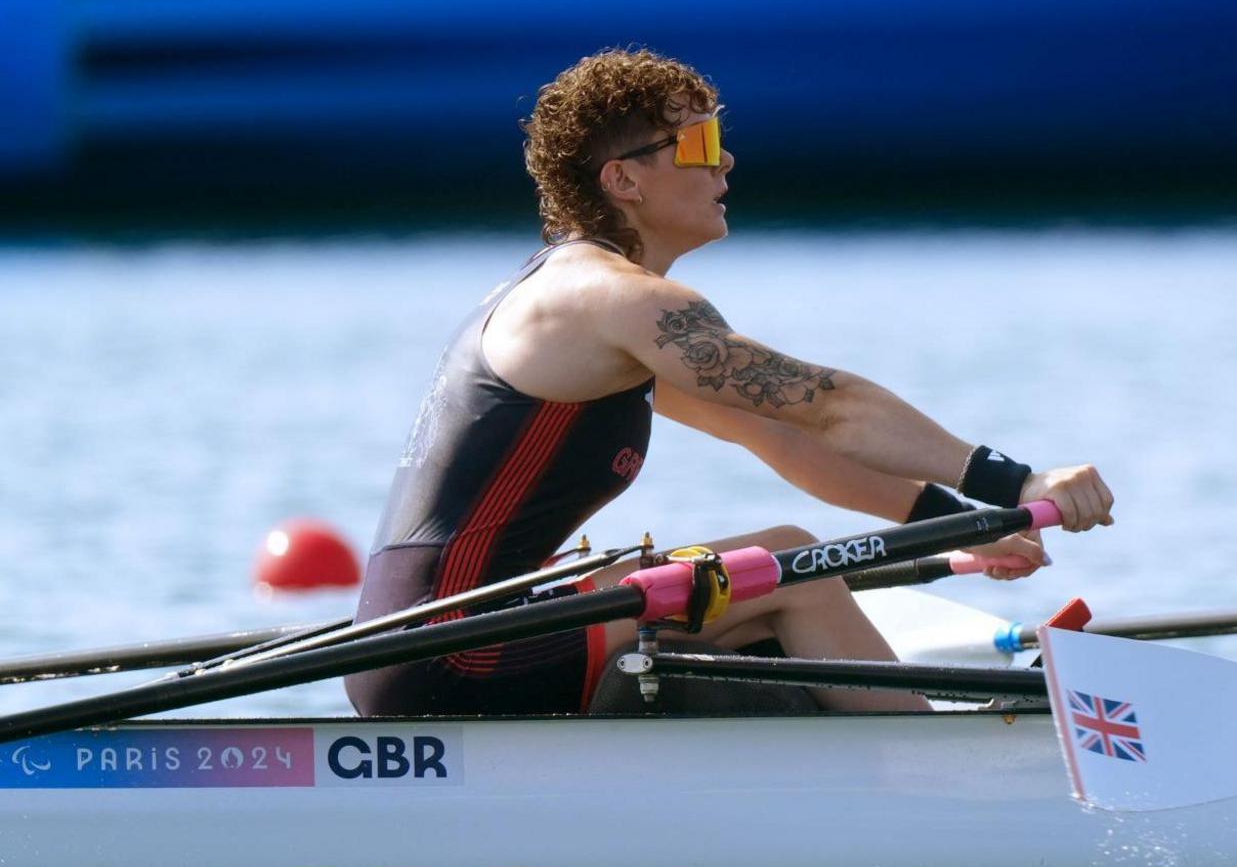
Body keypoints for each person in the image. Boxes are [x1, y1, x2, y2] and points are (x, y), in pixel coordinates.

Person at [348, 48, 1112, 718]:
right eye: (700, 143)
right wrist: (1018, 483)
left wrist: (958, 527)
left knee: (756, 579)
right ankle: (936, 770)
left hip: (433, 634)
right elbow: (832, 407)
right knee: (793, 566)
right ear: (623, 179)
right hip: (452, 646)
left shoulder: (581, 303)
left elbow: (779, 435)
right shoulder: (617, 299)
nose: (727, 162)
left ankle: (834, 750)